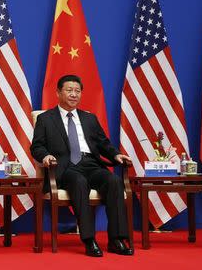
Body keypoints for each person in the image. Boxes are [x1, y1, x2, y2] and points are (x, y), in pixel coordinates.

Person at [30, 74, 134, 257]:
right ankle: (89, 240)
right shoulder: (46, 119)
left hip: (91, 164)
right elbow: (37, 146)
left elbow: (104, 144)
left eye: (77, 91)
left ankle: (116, 239)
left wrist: (116, 155)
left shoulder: (89, 119)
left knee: (114, 181)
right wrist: (45, 156)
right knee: (79, 181)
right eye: (69, 90)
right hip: (64, 167)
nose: (74, 94)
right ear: (58, 93)